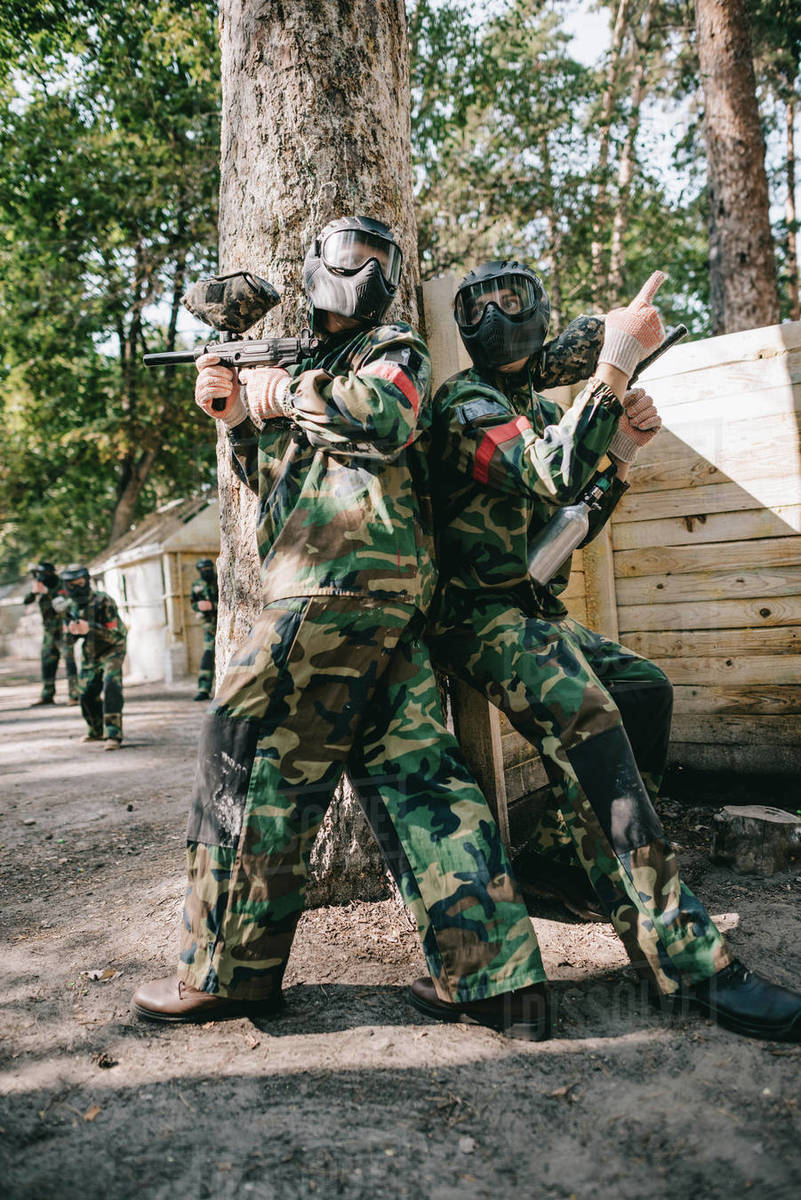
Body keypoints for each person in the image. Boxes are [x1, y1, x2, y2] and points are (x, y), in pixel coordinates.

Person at [132, 217, 549, 1035]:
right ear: (318, 267)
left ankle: (227, 973)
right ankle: (492, 978)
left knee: (245, 759)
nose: (366, 270)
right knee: (420, 777)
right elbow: (275, 485)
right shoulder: (310, 367)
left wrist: (280, 392)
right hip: (381, 605)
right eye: (353, 254)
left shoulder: (393, 348)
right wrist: (237, 419)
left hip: (328, 589)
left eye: (379, 257)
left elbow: (388, 415)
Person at [404, 261, 801, 1042]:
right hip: (477, 618)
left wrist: (618, 454)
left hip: (524, 604)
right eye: (485, 301)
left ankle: (563, 860)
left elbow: (566, 524)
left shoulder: (521, 401)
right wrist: (615, 360)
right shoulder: (467, 402)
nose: (501, 311)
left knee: (644, 690)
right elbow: (550, 471)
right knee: (600, 751)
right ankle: (688, 963)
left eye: (513, 295)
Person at [59, 564, 127, 751]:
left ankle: (113, 734)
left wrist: (90, 628)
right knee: (86, 693)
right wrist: (72, 633)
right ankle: (96, 730)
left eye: (79, 583)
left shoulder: (103, 601)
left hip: (113, 649)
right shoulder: (70, 607)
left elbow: (116, 635)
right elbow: (67, 641)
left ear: (87, 581)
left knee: (111, 685)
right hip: (91, 652)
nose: (76, 588)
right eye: (71, 585)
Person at [23, 560, 79, 707]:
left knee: (69, 662)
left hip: (64, 630)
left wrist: (48, 592)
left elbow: (65, 603)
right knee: (47, 662)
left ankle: (74, 695)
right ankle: (47, 695)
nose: (42, 577)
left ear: (51, 573)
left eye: (44, 574)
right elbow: (26, 601)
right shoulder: (40, 586)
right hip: (49, 632)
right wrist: (34, 592)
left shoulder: (62, 584)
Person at [189, 558, 218, 701]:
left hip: (224, 625)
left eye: (208, 569)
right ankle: (203, 689)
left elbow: (230, 603)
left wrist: (212, 606)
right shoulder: (197, 585)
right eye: (202, 570)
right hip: (209, 627)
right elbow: (193, 602)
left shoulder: (220, 581)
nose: (205, 572)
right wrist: (198, 607)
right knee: (208, 656)